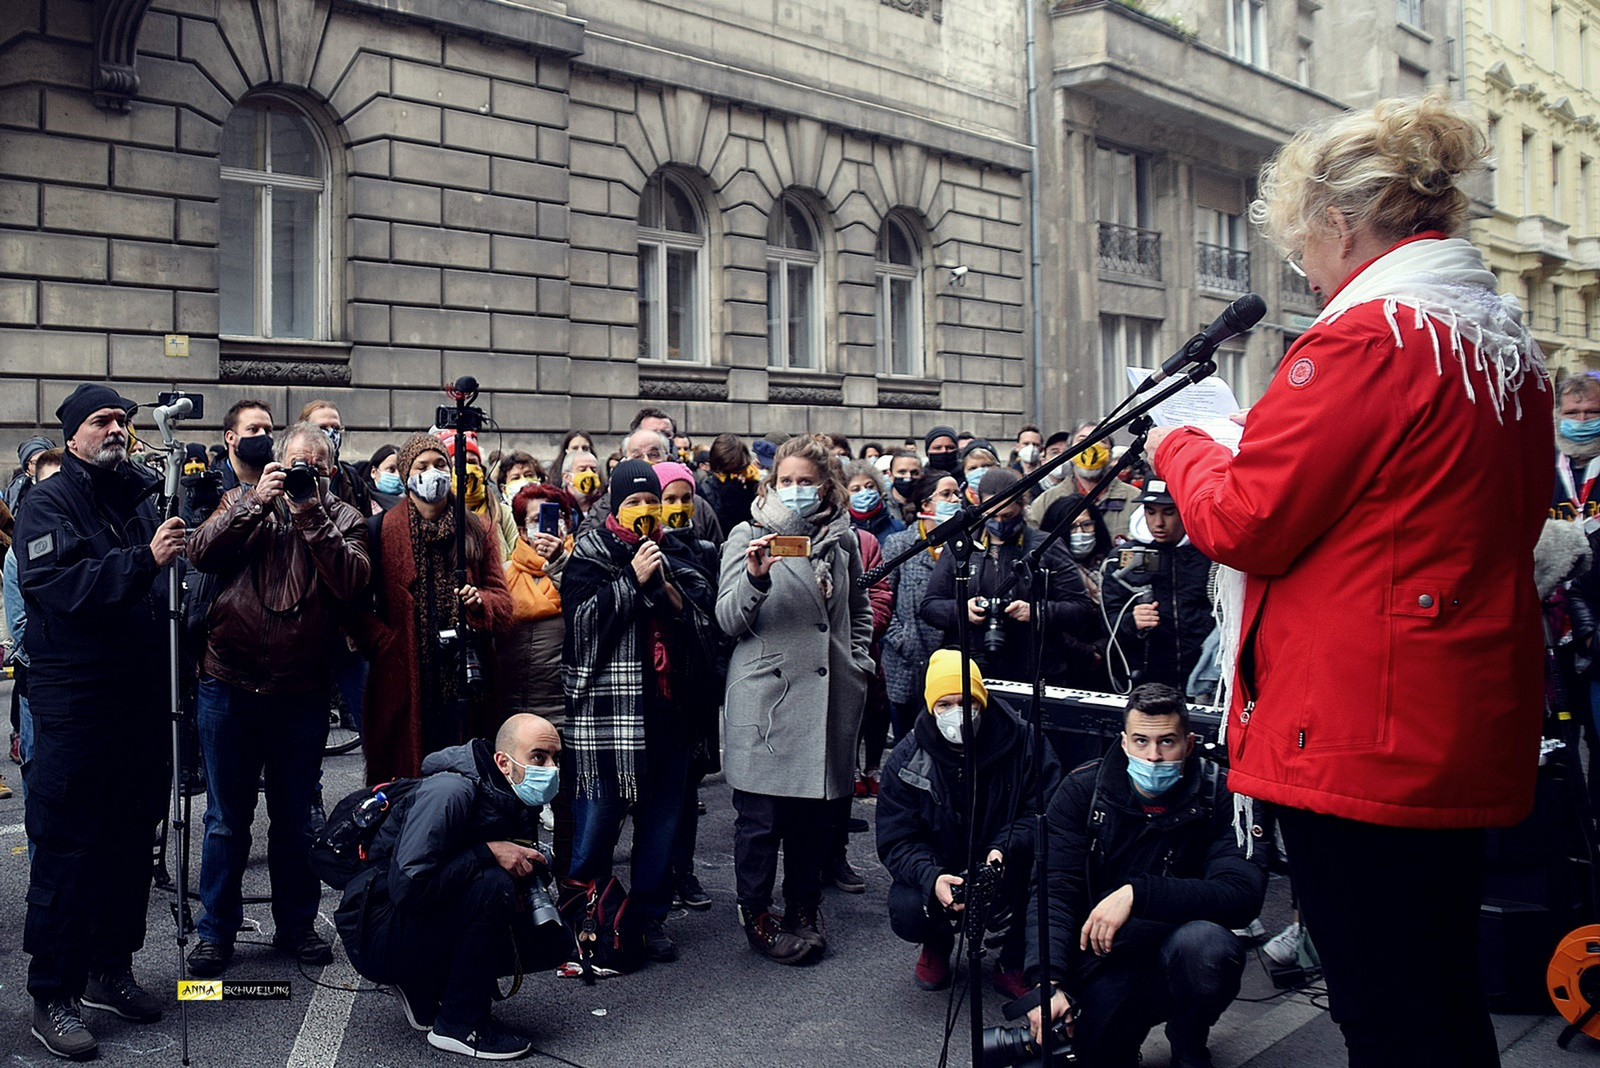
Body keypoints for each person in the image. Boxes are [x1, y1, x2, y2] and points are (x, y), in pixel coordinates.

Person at [1148, 95, 1551, 1068]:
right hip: (1449, 721)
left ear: (1340, 225)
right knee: (1441, 1001)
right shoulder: (1499, 346)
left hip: (1364, 741)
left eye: (1302, 253)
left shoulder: (1369, 338)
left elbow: (1246, 517)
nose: (1308, 277)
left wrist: (1185, 442)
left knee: (1383, 1013)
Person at [16, 384, 185, 1059]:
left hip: (141, 699)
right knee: (68, 848)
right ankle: (51, 992)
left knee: (128, 847)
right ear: (72, 434)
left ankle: (109, 969)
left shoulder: (136, 497)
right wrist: (143, 560)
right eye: (101, 420)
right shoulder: (45, 503)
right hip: (77, 703)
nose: (116, 429)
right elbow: (61, 588)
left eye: (123, 419)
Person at [185, 422, 371, 977]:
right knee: (225, 819)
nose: (303, 472)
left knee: (295, 820)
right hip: (228, 683)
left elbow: (352, 581)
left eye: (315, 465)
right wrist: (253, 504)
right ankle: (215, 932)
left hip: (301, 691)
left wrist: (311, 512)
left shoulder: (344, 518)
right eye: (296, 463)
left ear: (331, 471)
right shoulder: (242, 500)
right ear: (277, 462)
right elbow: (199, 552)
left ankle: (296, 926)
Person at [1024, 684, 1267, 1067]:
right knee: (1086, 1054)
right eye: (1141, 741)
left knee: (1208, 949)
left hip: (1181, 946)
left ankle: (1189, 1036)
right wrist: (1047, 982)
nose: (1153, 756)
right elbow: (1054, 891)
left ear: (1189, 743)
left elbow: (1242, 894)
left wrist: (1137, 892)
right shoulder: (1083, 791)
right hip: (1108, 953)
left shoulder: (1223, 794)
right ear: (1123, 743)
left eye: (1166, 742)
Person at [717, 433, 874, 964]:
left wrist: (859, 661)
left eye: (806, 482)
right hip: (769, 699)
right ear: (771, 482)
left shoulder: (842, 539)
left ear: (826, 484)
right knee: (761, 821)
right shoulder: (748, 534)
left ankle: (804, 907)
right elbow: (728, 619)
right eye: (786, 481)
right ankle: (756, 915)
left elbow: (860, 610)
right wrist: (756, 580)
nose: (795, 491)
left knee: (814, 818)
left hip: (828, 696)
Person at [561, 461, 721, 961]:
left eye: (650, 503)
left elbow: (702, 618)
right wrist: (631, 580)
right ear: (614, 505)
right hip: (610, 719)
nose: (643, 512)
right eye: (632, 503)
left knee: (661, 826)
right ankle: (586, 914)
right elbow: (581, 627)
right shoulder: (590, 553)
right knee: (597, 824)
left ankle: (650, 919)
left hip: (670, 714)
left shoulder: (676, 552)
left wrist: (665, 587)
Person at [338, 714, 562, 1059]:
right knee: (493, 888)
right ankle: (459, 1025)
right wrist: (488, 852)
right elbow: (409, 888)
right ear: (503, 761)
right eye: (538, 757)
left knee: (549, 939)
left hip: (400, 920)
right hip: (375, 929)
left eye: (555, 758)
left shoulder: (511, 795)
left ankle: (424, 984)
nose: (550, 768)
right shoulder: (450, 792)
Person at [878, 650, 1062, 997]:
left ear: (982, 701)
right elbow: (896, 840)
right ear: (931, 707)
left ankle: (1014, 957)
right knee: (907, 906)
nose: (956, 714)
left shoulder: (1025, 742)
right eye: (945, 704)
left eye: (966, 701)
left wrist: (1002, 851)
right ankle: (937, 943)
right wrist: (931, 878)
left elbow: (1046, 810)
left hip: (1006, 865)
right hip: (942, 864)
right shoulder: (906, 757)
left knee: (1044, 879)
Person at [358, 434, 513, 786]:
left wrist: (480, 604)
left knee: (465, 781)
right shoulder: (379, 530)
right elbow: (354, 609)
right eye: (422, 466)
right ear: (406, 474)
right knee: (403, 782)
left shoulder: (476, 528)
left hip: (465, 682)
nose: (434, 473)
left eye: (441, 464)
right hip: (403, 678)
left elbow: (503, 604)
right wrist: (384, 643)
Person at [921, 468, 1095, 687]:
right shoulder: (960, 547)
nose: (1000, 522)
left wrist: (1037, 611)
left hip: (1035, 668)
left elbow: (1081, 609)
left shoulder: (1046, 546)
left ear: (1023, 507)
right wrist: (961, 610)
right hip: (974, 669)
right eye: (992, 516)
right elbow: (929, 606)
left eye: (1008, 516)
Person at [1099, 481, 1215, 691]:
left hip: (1202, 676)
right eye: (1150, 512)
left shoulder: (1211, 553)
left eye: (1169, 512)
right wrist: (1131, 622)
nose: (1158, 522)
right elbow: (1106, 619)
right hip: (1145, 679)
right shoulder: (1123, 558)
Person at [881, 471, 963, 741]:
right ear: (926, 505)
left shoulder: (965, 545)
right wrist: (902, 639)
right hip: (907, 664)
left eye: (957, 494)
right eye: (946, 494)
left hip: (951, 660)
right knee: (909, 740)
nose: (955, 499)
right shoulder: (901, 544)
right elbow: (882, 597)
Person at [1042, 493, 1114, 688]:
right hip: (1063, 666)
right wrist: (1085, 652)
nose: (1080, 532)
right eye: (1072, 527)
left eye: (1086, 525)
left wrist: (1101, 648)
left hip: (1109, 665)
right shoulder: (1045, 571)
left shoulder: (1111, 566)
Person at [1029, 439, 1140, 541]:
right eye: (1082, 440)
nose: (1091, 447)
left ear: (1110, 453)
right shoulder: (1046, 501)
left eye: (1101, 441)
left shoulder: (1134, 499)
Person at [439, 429, 518, 562]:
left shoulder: (501, 512)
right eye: (458, 463)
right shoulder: (438, 514)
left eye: (472, 462)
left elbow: (518, 555)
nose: (467, 468)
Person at [299, 400, 375, 518]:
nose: (331, 433)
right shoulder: (291, 473)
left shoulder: (352, 478)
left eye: (336, 428)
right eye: (322, 427)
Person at [699, 433, 761, 535]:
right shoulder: (706, 491)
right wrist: (726, 502)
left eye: (737, 471)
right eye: (727, 472)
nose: (734, 476)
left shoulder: (753, 486)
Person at [218, 398, 274, 492]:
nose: (262, 434)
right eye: (253, 429)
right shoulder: (210, 488)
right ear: (231, 438)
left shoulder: (283, 482)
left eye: (267, 430)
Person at [843, 459, 904, 541]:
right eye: (856, 489)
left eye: (870, 486)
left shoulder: (896, 526)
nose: (865, 491)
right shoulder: (843, 531)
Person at [3, 434, 55, 511]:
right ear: (27, 468)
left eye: (45, 461)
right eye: (35, 463)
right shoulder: (16, 490)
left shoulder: (63, 486)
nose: (41, 466)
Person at [886, 449, 924, 525]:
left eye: (914, 473)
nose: (908, 477)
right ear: (890, 475)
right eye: (902, 472)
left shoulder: (928, 504)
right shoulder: (881, 505)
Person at [368, 443, 404, 511]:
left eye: (401, 470)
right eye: (391, 469)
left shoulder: (414, 502)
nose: (398, 475)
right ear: (373, 472)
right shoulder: (364, 501)